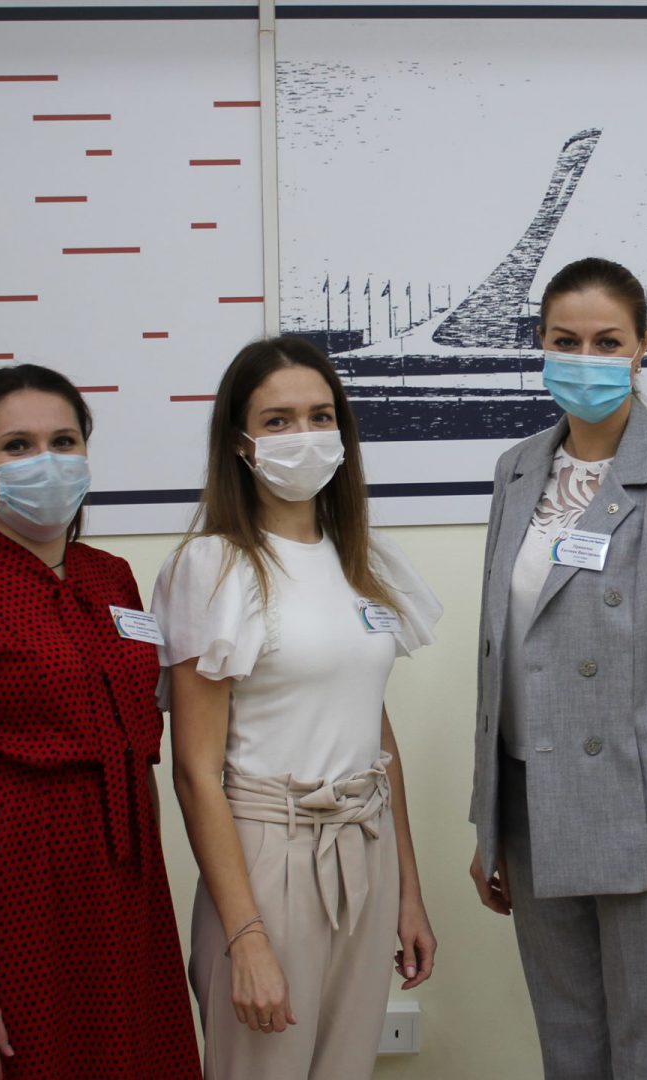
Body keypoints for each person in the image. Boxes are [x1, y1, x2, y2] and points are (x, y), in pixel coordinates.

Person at [0, 365, 201, 1080]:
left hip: (125, 895)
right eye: (17, 445)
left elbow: (139, 741)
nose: (46, 460)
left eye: (64, 441)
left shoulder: (111, 578)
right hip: (11, 898)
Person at [468, 256, 647, 1079]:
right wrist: (490, 824)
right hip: (532, 805)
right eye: (565, 341)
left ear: (641, 347)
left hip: (645, 827)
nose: (584, 358)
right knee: (569, 1053)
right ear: (540, 344)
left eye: (606, 341)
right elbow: (501, 653)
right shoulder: (517, 470)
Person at [152, 336, 441, 1080]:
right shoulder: (211, 566)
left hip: (365, 844)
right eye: (277, 421)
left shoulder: (363, 560)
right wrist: (245, 935)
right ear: (239, 442)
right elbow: (194, 771)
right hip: (265, 855)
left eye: (320, 417)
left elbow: (375, 730)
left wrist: (408, 891)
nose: (304, 436)